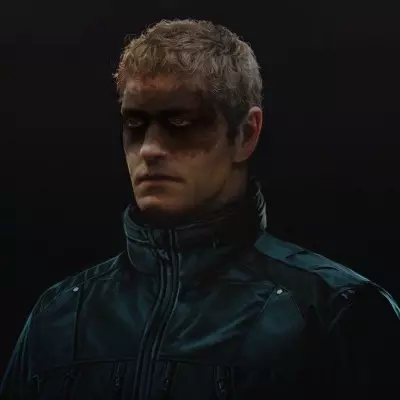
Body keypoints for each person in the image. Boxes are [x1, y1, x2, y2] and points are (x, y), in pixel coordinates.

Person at [1, 19, 399, 400]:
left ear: (245, 134)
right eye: (135, 123)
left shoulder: (334, 310)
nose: (149, 149)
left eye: (179, 122)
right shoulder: (60, 313)